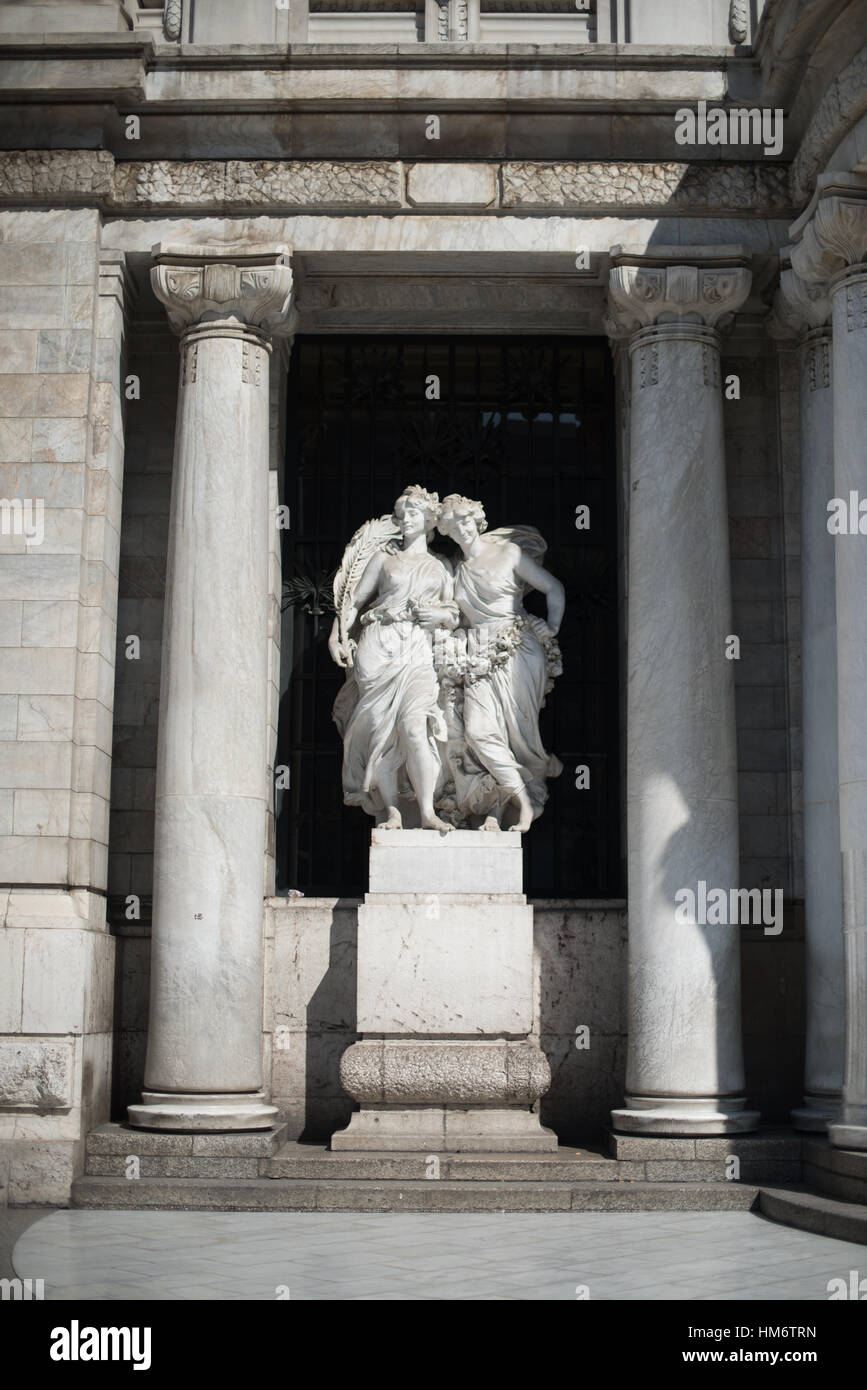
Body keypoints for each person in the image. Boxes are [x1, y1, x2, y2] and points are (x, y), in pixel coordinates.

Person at [329, 485, 458, 832]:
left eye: (413, 513)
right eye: (401, 514)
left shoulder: (440, 566)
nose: (405, 519)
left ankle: (428, 811)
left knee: (416, 727)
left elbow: (454, 613)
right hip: (380, 644)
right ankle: (391, 810)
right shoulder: (384, 559)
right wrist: (335, 635)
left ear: (429, 519)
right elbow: (354, 602)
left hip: (418, 648)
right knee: (381, 734)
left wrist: (440, 616)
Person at [437, 493, 564, 832]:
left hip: (517, 647)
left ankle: (499, 812)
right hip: (477, 653)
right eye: (451, 526)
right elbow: (449, 616)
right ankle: (518, 798)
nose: (460, 529)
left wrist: (551, 627)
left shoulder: (508, 554)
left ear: (477, 520)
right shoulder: (456, 572)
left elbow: (553, 588)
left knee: (516, 738)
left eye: (464, 520)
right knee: (479, 733)